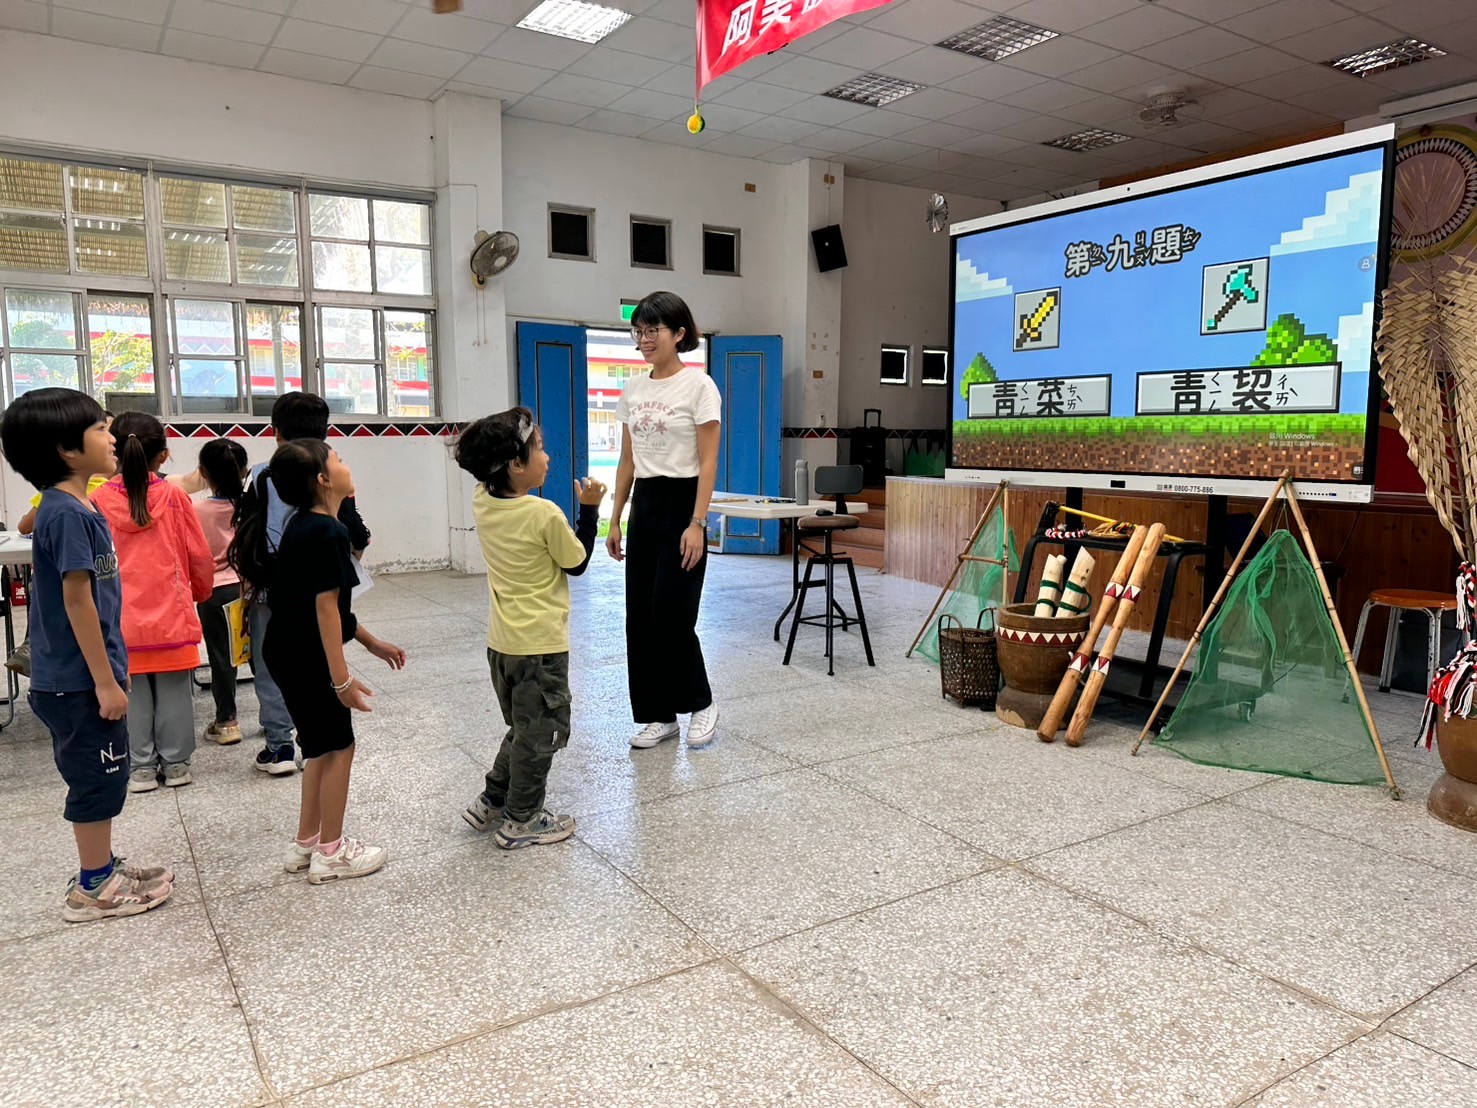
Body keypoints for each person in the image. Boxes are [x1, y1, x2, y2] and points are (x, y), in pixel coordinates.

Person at [0, 388, 173, 922]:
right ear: (66, 450)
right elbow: (78, 601)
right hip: (77, 681)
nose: (112, 436)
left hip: (82, 675)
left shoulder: (74, 506)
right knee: (97, 778)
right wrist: (104, 681)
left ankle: (102, 865)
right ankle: (94, 886)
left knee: (105, 773)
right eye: (100, 428)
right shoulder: (66, 514)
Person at [230, 439, 405, 884]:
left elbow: (326, 608)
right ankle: (332, 852)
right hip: (307, 657)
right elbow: (326, 610)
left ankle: (306, 842)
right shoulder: (328, 532)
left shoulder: (303, 524)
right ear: (324, 479)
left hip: (286, 651)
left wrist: (371, 643)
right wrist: (341, 681)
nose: (346, 464)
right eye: (338, 459)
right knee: (339, 747)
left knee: (319, 748)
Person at [454, 408, 602, 849]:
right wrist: (589, 511)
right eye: (538, 448)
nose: (547, 456)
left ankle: (492, 799)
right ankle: (522, 819)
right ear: (516, 464)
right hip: (540, 646)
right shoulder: (544, 514)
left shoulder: (482, 500)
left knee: (523, 727)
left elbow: (489, 475)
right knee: (541, 735)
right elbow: (576, 562)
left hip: (502, 646)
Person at [606, 291, 722, 749]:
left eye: (653, 330)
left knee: (672, 615)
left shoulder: (699, 387)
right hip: (646, 504)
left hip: (683, 503)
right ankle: (659, 715)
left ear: (679, 333)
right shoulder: (634, 389)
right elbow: (627, 462)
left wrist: (698, 522)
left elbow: (708, 462)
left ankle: (702, 702)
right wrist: (615, 519)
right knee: (640, 618)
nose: (645, 339)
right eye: (639, 331)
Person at [239, 392, 371, 778]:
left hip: (269, 586)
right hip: (313, 587)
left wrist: (249, 583)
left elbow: (246, 528)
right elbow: (357, 533)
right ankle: (312, 736)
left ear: (275, 431)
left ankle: (280, 743)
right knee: (314, 664)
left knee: (271, 663)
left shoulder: (260, 474)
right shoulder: (328, 476)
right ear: (326, 430)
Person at [93, 412, 214, 793]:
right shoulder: (175, 498)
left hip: (119, 622)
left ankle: (140, 767)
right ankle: (176, 765)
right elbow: (199, 556)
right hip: (172, 617)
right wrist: (198, 593)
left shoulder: (96, 502)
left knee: (133, 695)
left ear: (114, 450)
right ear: (162, 456)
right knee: (176, 695)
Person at [194, 437, 250, 746]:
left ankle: (227, 722)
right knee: (260, 654)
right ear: (243, 471)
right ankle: (276, 722)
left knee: (221, 656)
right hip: (249, 588)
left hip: (213, 592)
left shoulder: (196, 510)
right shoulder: (251, 506)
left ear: (203, 472)